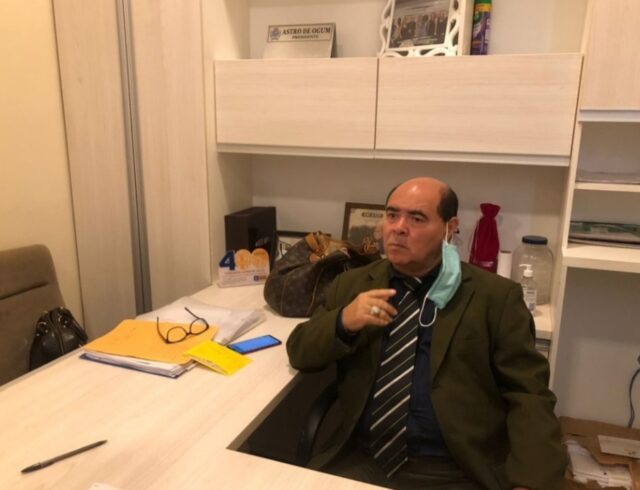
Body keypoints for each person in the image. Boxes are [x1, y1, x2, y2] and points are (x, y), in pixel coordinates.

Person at [287, 177, 566, 490]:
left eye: (417, 218)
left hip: (453, 470)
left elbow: (529, 396)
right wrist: (343, 322)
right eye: (392, 215)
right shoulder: (353, 285)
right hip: (362, 460)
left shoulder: (495, 298)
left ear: (449, 228)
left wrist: (530, 482)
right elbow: (300, 351)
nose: (398, 228)